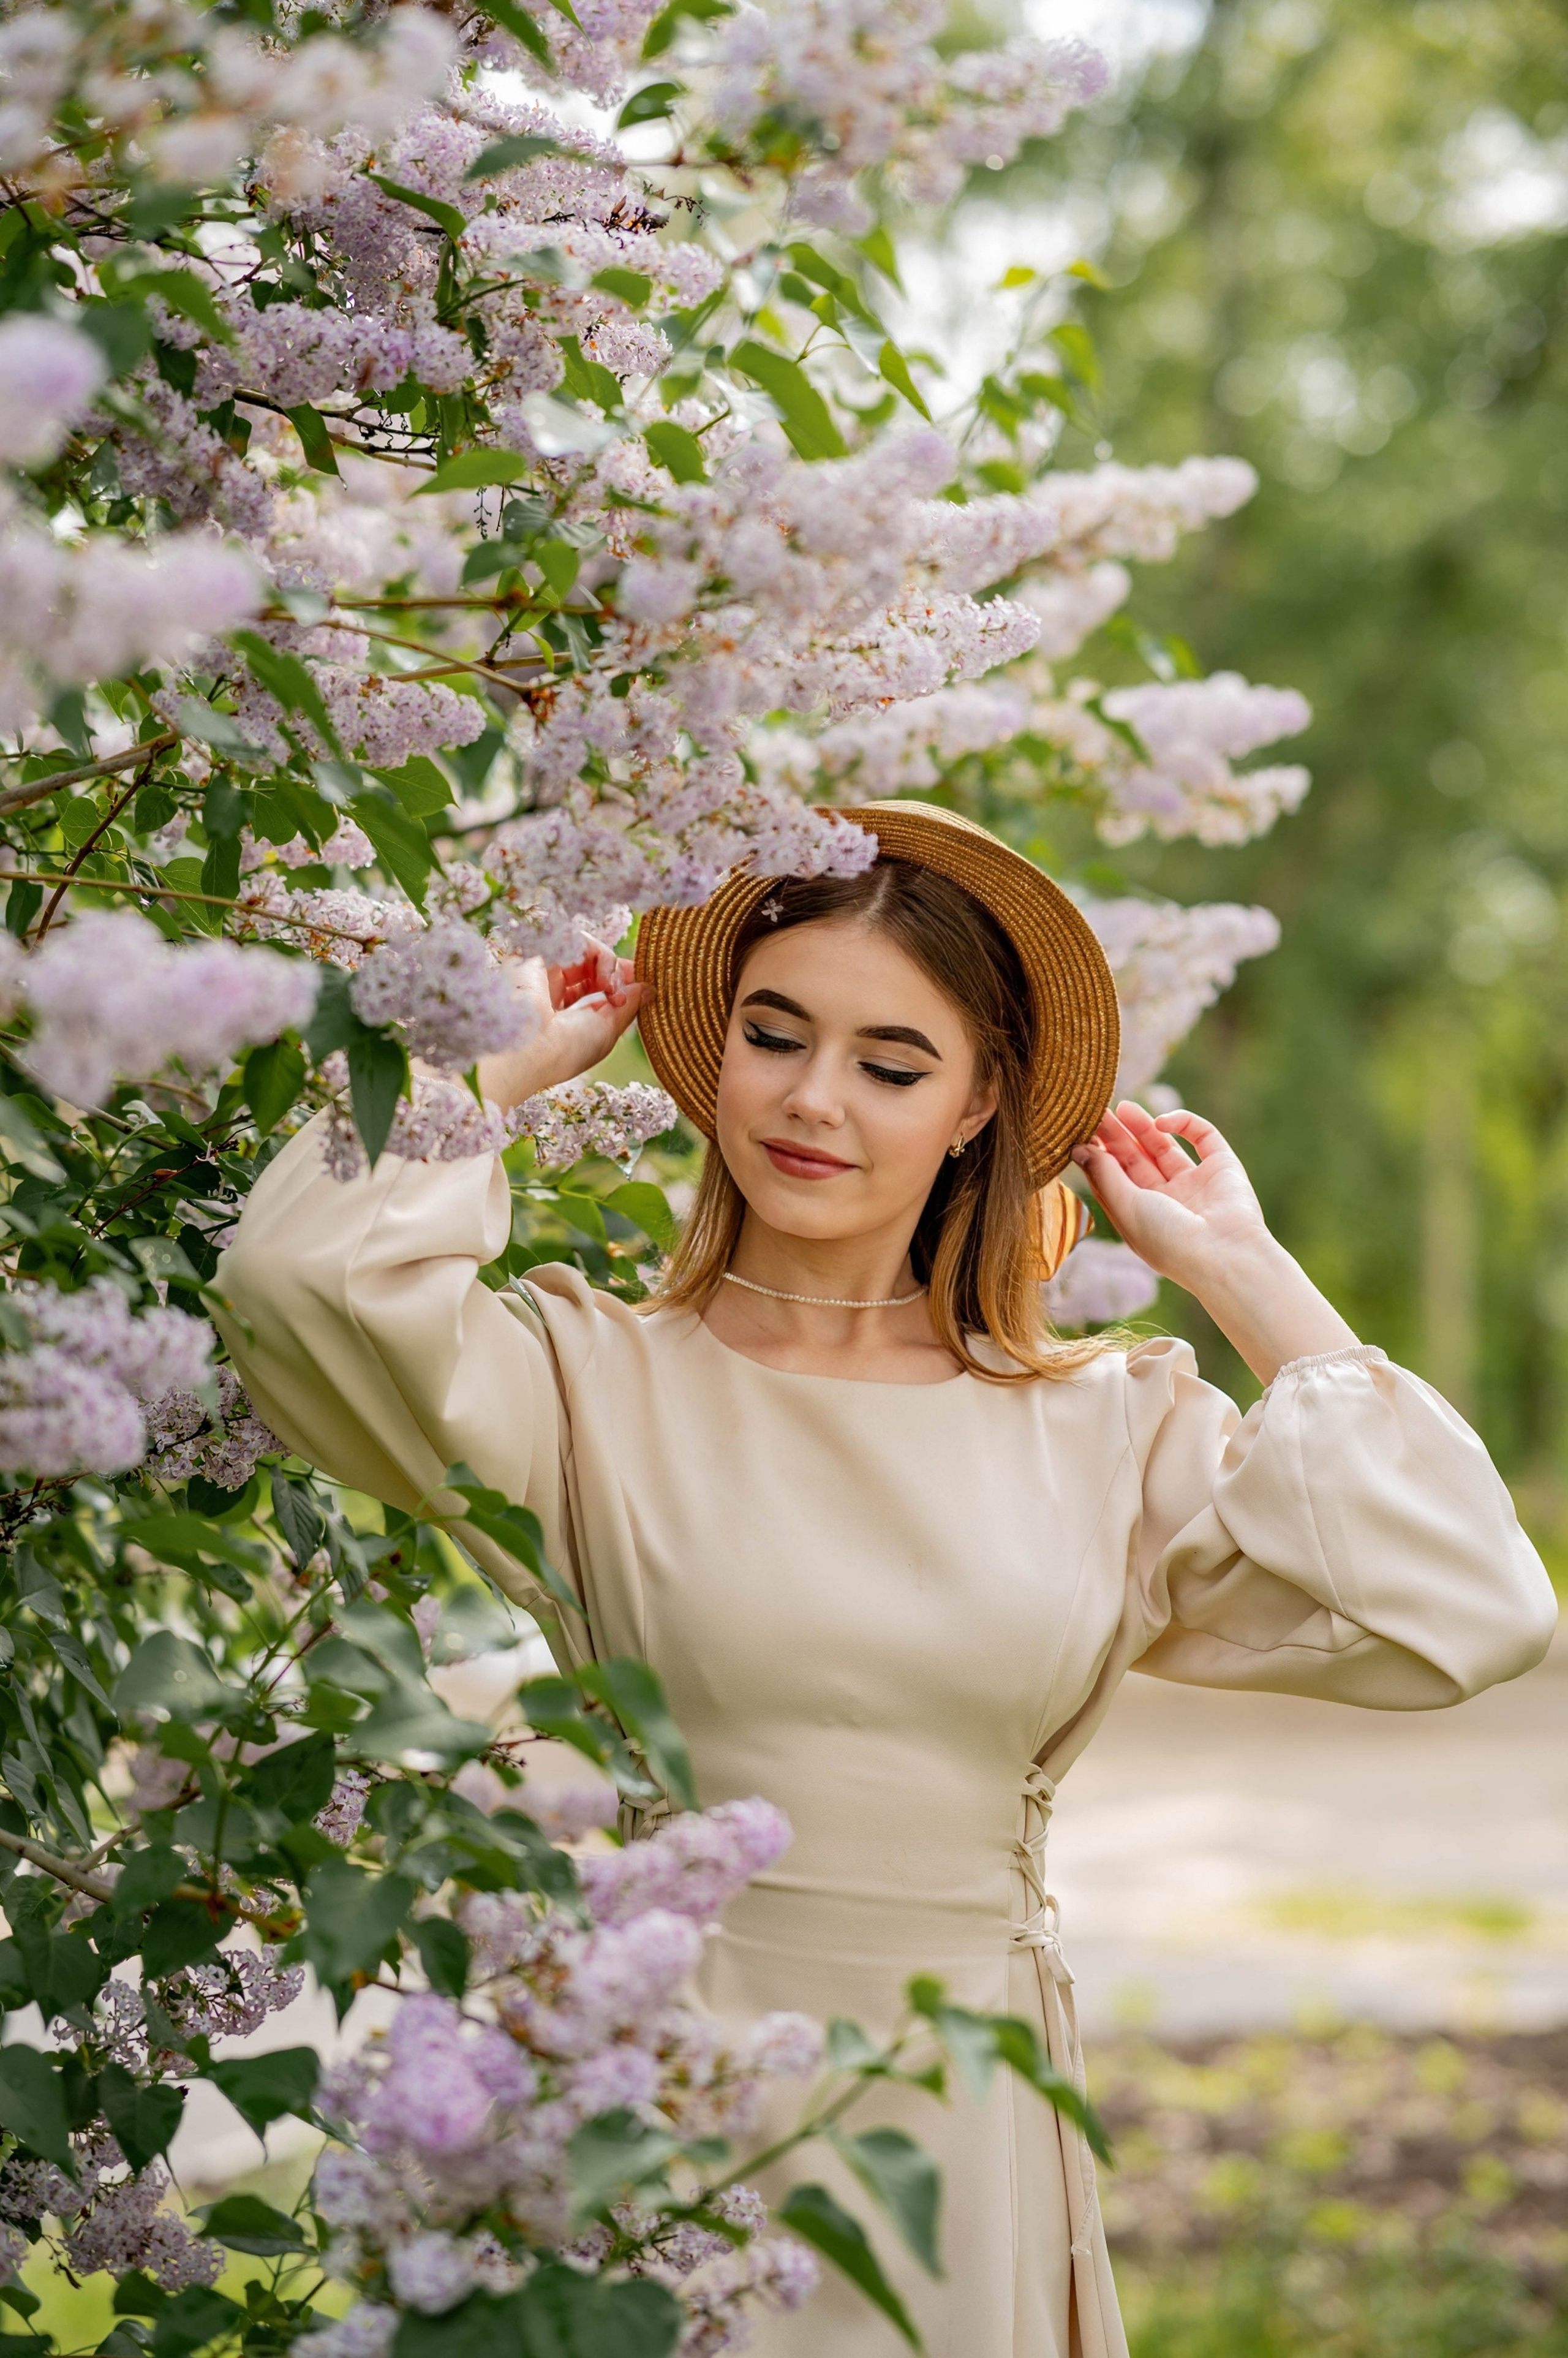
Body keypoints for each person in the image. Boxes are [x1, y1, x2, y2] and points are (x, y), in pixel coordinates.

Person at [217, 801, 1556, 2358]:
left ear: (979, 1101)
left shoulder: (1107, 1431)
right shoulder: (580, 1382)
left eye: (890, 1063)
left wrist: (1243, 1276)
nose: (811, 1099)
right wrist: (484, 1068)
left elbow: (1470, 1606)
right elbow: (291, 1282)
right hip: (648, 2102)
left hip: (953, 2122)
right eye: (773, 1034)